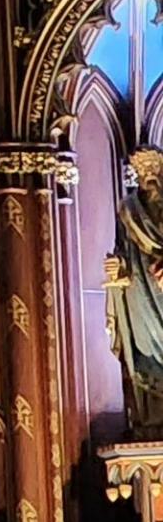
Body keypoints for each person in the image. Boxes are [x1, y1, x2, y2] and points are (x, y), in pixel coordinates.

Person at [108, 147, 163, 430]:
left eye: (153, 172)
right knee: (144, 350)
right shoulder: (128, 211)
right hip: (141, 290)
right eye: (143, 173)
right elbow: (122, 250)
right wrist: (117, 267)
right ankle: (150, 413)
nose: (149, 178)